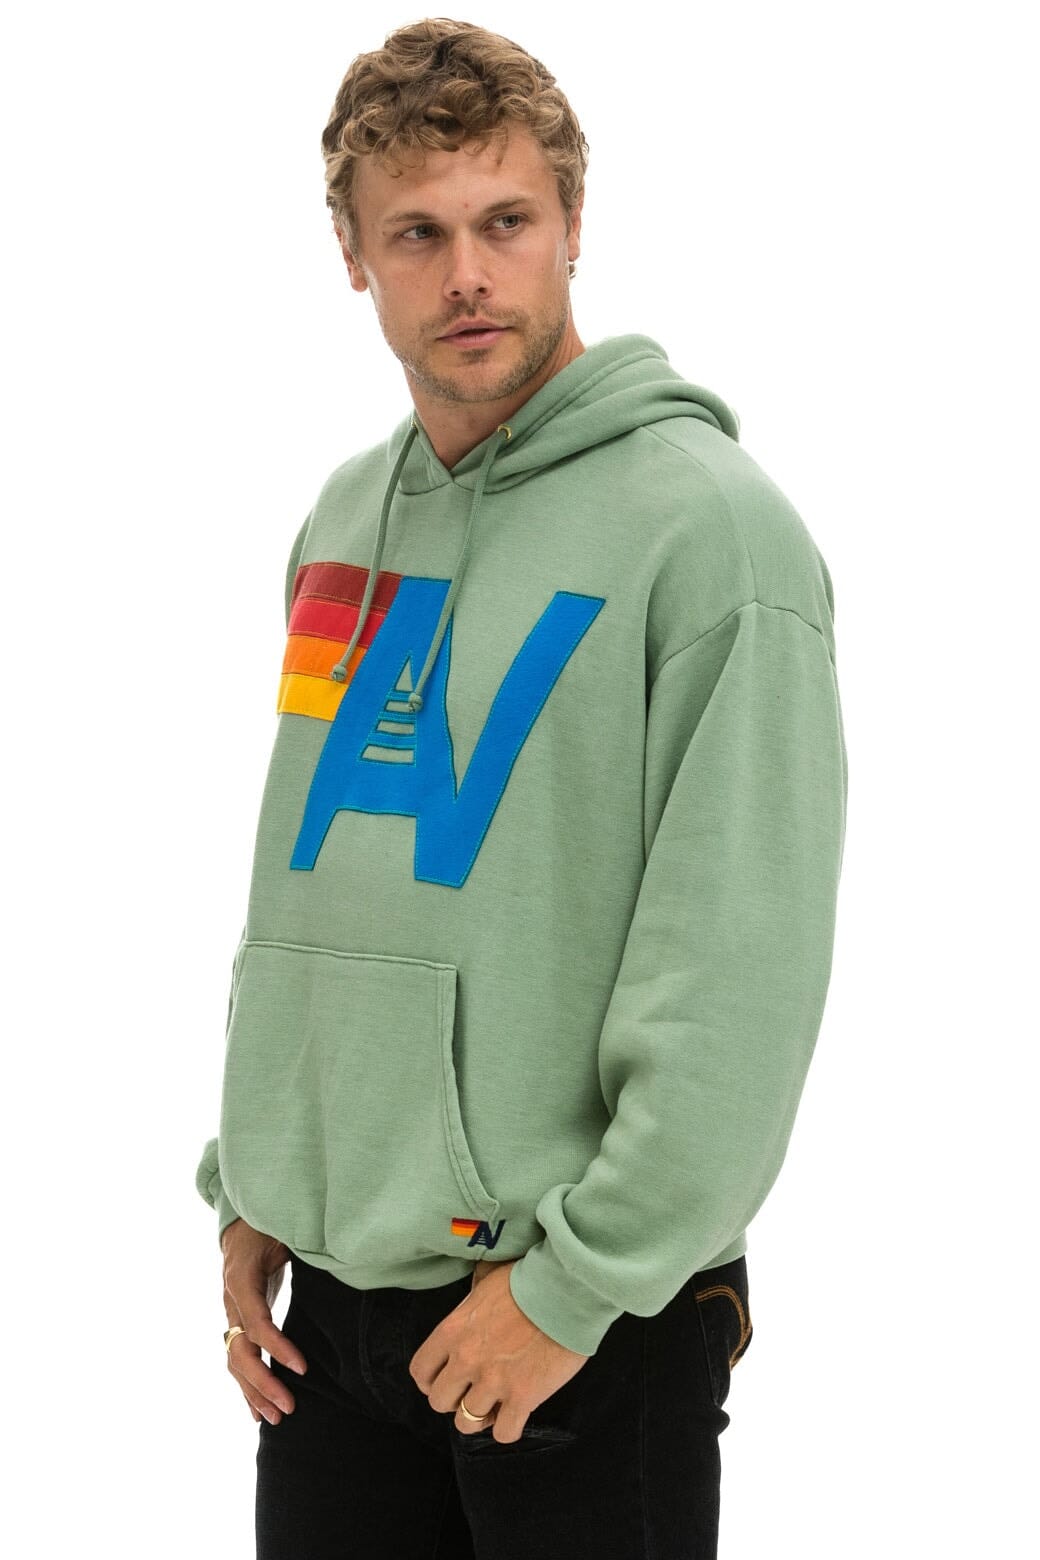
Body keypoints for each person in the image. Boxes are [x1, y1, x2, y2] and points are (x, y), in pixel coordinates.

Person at [195, 17, 848, 1559]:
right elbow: (310, 874)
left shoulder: (714, 538)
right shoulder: (345, 518)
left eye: (507, 221)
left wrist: (575, 1286)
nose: (468, 275)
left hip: (578, 1323)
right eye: (417, 234)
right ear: (353, 255)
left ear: (573, 223)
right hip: (334, 1309)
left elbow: (740, 973)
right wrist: (260, 1176)